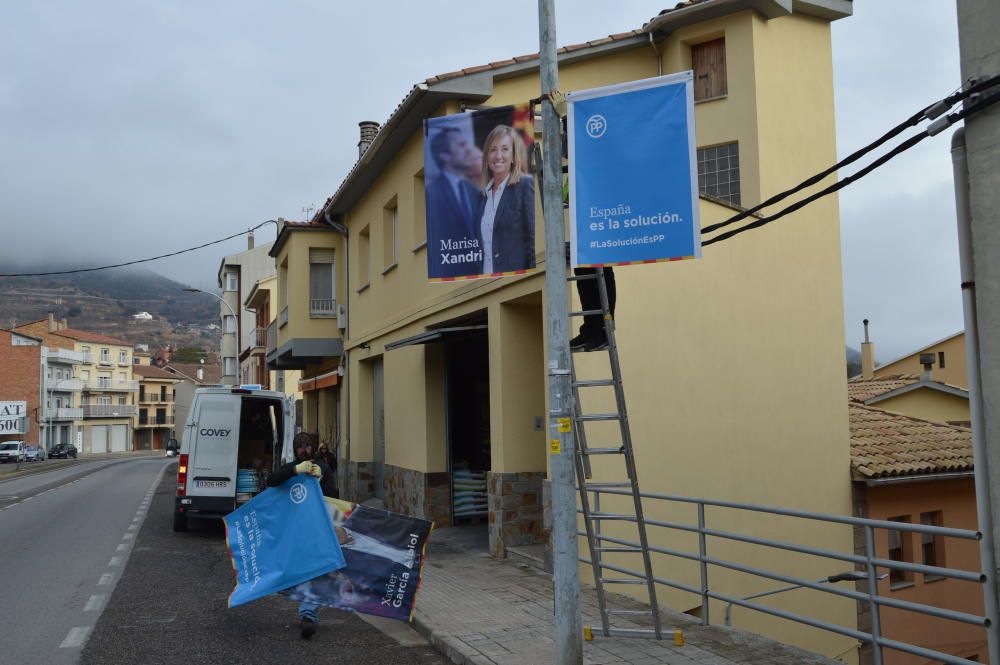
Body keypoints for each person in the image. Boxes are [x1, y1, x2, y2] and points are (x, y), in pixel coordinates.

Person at [268, 432, 336, 639]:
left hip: (317, 530)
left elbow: (334, 498)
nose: (304, 449)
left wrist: (321, 481)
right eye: (300, 446)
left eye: (307, 445)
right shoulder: (290, 468)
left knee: (317, 571)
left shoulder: (322, 468)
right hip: (294, 531)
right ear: (295, 450)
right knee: (297, 571)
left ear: (313, 448)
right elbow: (271, 481)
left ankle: (308, 615)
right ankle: (303, 605)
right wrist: (295, 471)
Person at [476, 124, 535, 274]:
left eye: (504, 149)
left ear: (514, 155)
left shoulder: (525, 185)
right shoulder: (482, 196)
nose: (498, 156)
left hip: (516, 279)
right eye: (493, 149)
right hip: (486, 279)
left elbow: (532, 236)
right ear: (487, 156)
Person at [426, 127, 484, 278]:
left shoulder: (472, 191)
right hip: (450, 277)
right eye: (462, 145)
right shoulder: (432, 193)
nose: (469, 150)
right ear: (445, 155)